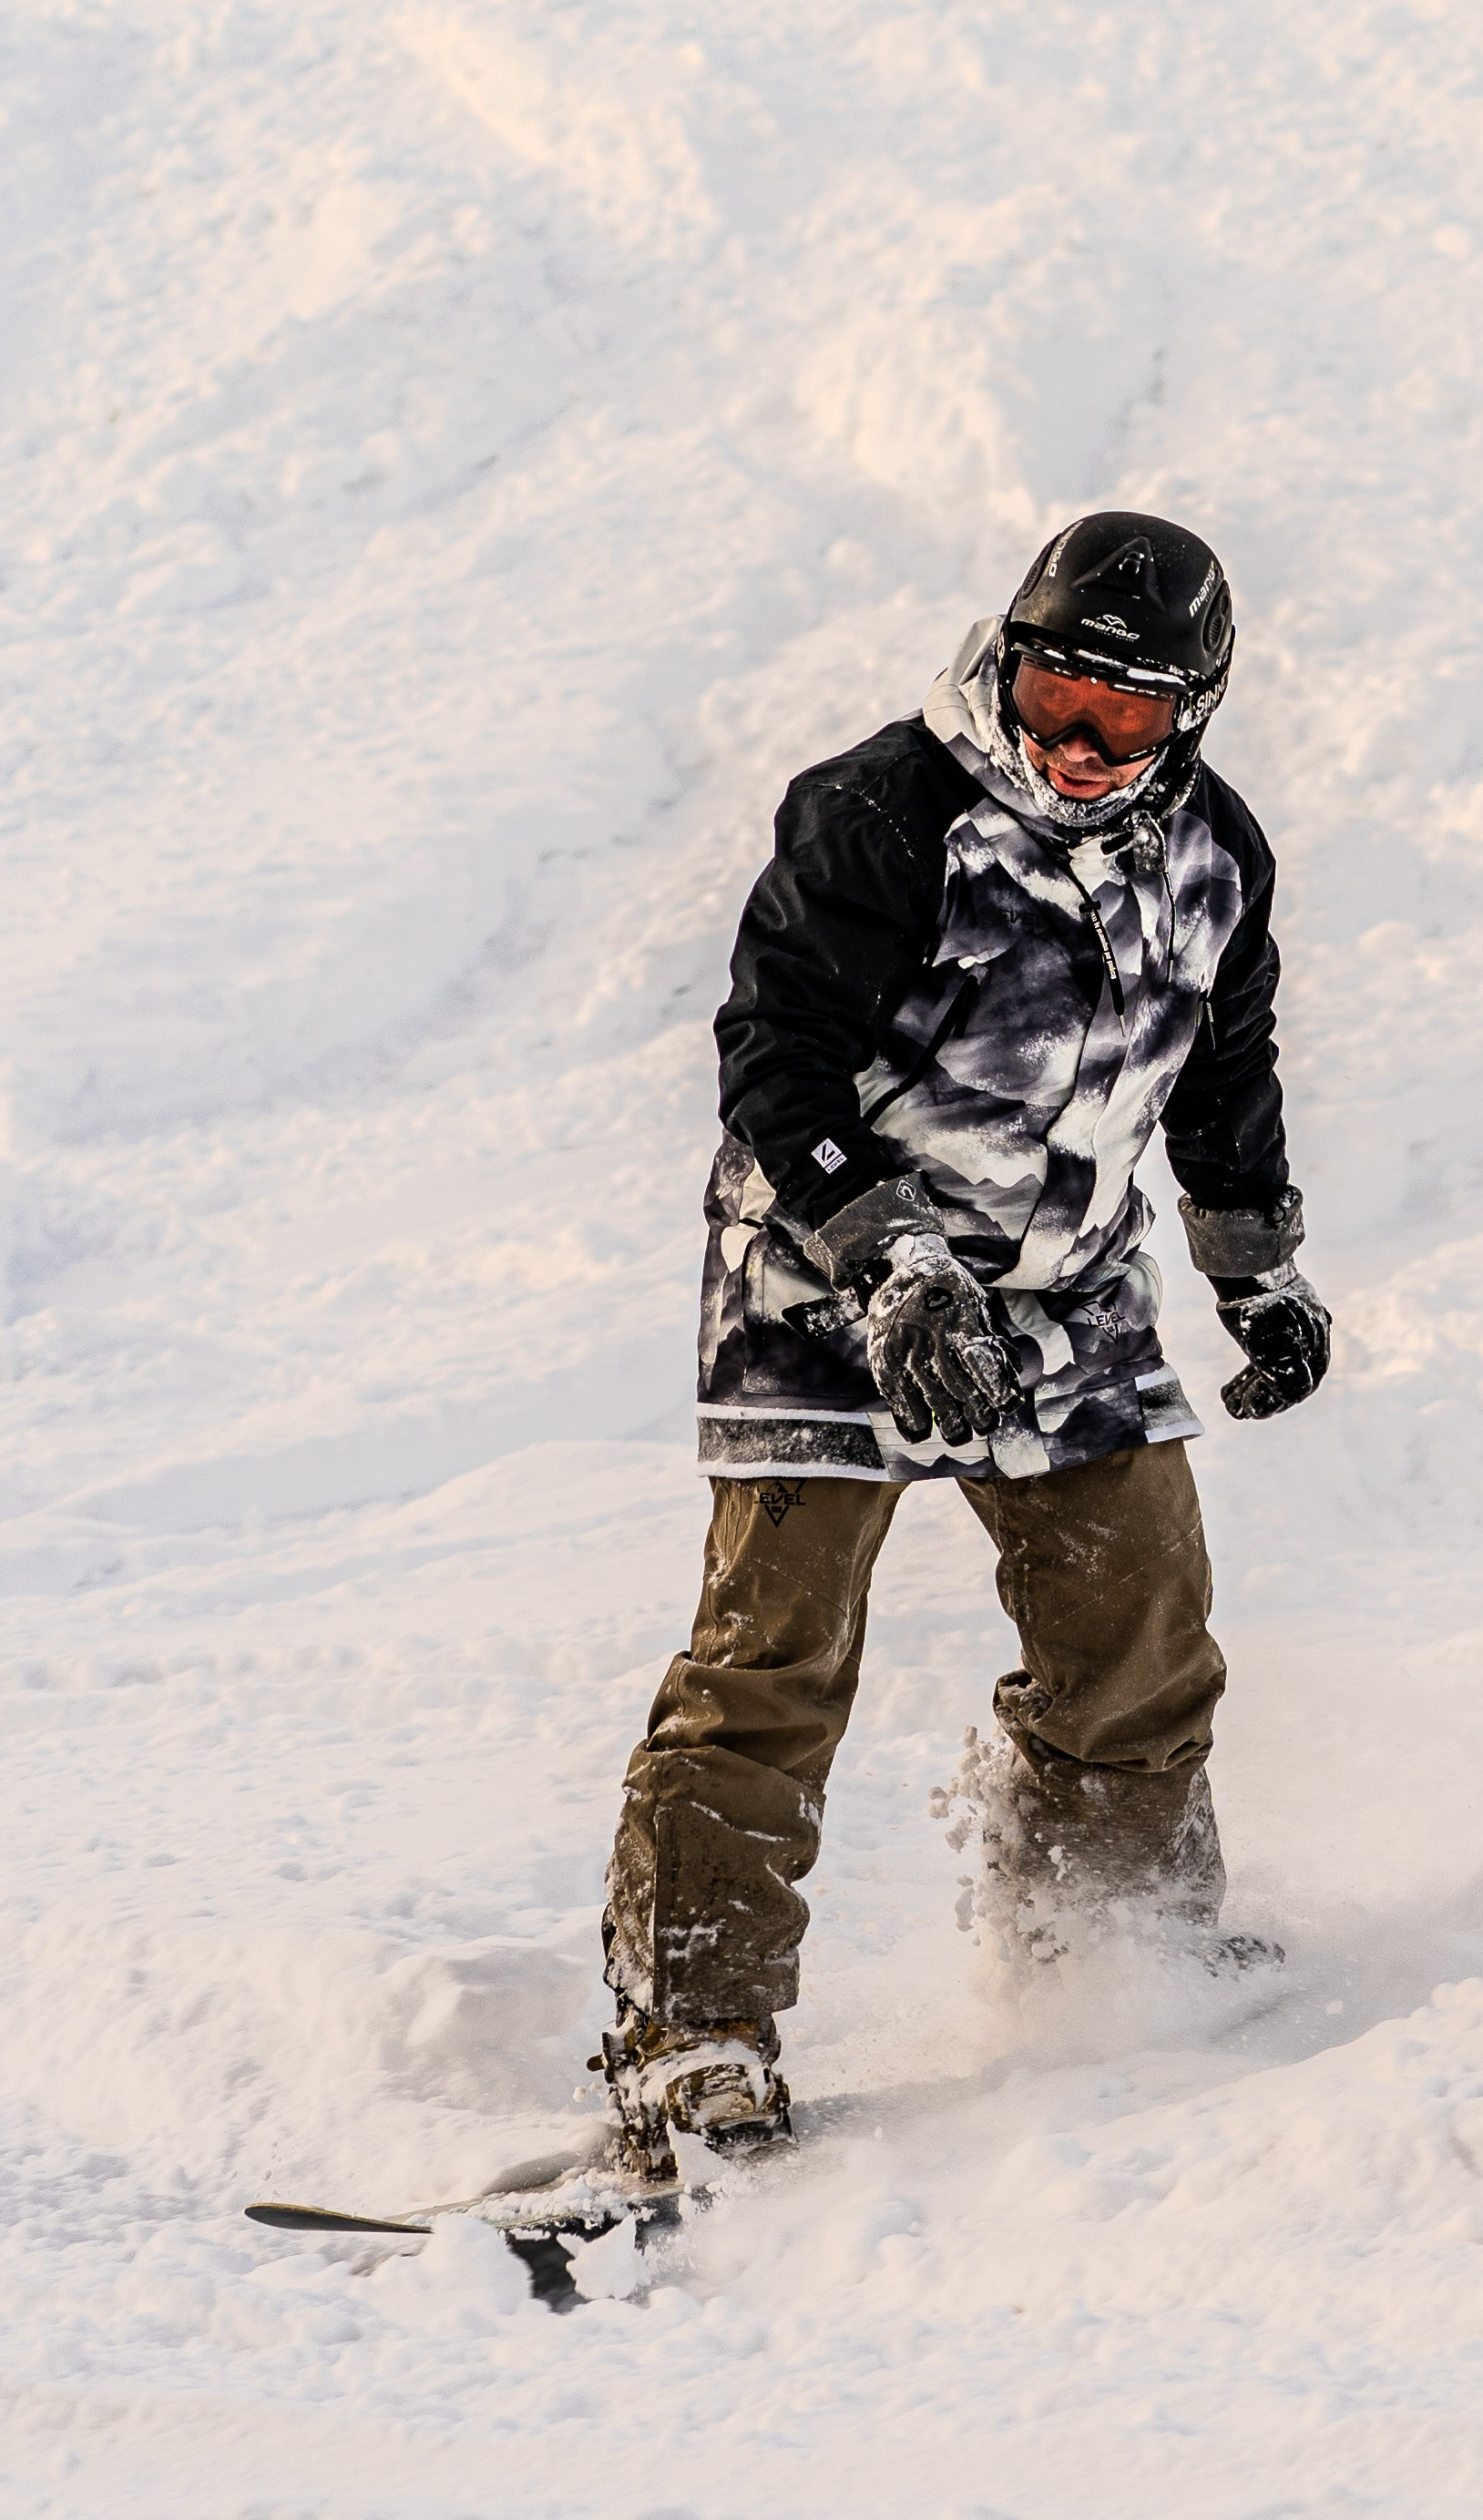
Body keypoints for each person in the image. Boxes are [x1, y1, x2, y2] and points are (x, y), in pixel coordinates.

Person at [593, 510, 1330, 2177]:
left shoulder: (1217, 853)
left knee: (1138, 1634)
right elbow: (775, 1053)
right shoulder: (883, 812)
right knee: (772, 1661)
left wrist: (1256, 1269)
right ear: (1008, 656)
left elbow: (1224, 1071)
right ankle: (693, 2032)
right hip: (823, 1273)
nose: (1080, 741)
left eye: (1127, 713)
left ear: (1192, 712)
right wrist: (886, 1257)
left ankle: (1112, 1948)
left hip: (1064, 1287)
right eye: (1057, 691)